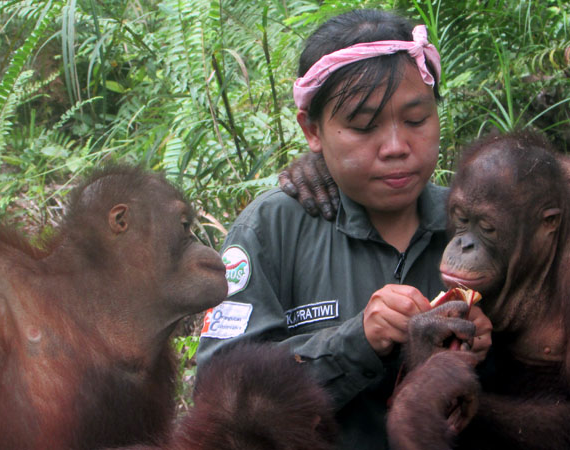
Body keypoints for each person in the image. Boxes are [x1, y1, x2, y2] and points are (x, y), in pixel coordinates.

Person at [196, 9, 492, 449]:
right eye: (363, 126)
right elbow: (218, 397)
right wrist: (358, 340)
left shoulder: (474, 224)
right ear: (312, 130)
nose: (396, 148)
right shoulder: (269, 230)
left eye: (416, 120)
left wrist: (485, 348)